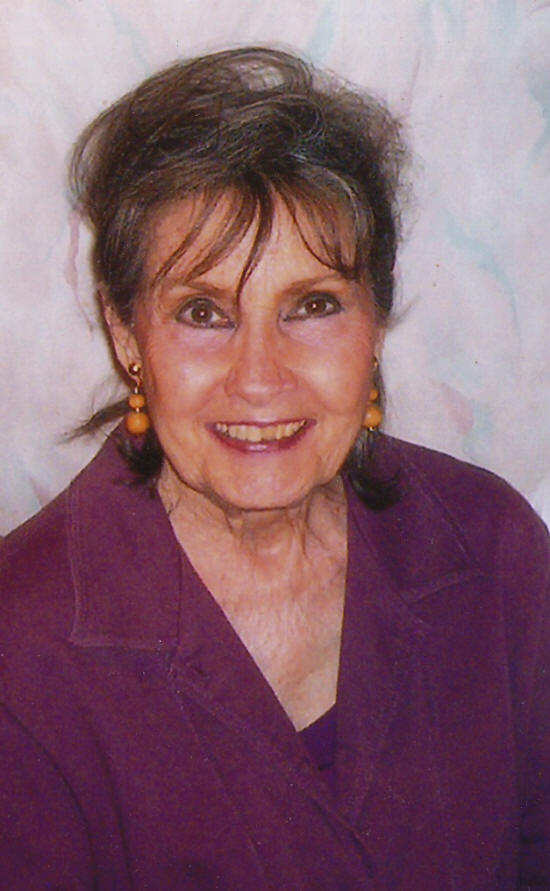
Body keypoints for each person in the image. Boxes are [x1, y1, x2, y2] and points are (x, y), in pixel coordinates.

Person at [0, 46, 548, 890]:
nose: (260, 378)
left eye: (313, 305)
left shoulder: (496, 548)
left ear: (375, 322)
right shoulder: (20, 647)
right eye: (202, 312)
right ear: (125, 333)